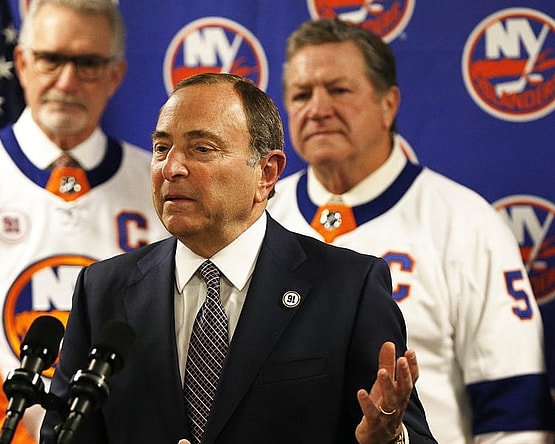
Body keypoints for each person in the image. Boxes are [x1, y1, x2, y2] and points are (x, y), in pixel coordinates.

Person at [40, 72, 435, 443]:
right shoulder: (102, 291)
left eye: (202, 148)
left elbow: (405, 431)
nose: (171, 168)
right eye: (162, 148)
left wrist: (388, 440)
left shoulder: (349, 290)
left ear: (266, 173)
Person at [268, 18, 555, 443]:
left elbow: (515, 412)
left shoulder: (464, 222)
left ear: (389, 103)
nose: (318, 108)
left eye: (339, 90)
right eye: (301, 94)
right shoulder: (258, 217)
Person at [0, 0, 169, 442]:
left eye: (87, 63)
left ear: (115, 75)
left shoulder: (158, 183)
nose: (66, 81)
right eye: (51, 59)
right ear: (22, 62)